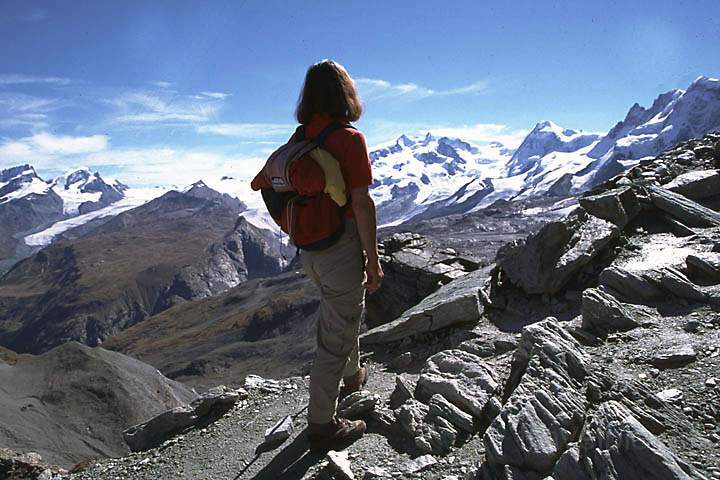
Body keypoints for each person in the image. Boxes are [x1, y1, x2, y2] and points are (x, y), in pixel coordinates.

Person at [295, 60, 384, 450]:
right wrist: (374, 258)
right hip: (340, 248)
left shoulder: (301, 137)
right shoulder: (349, 139)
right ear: (345, 93)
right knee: (335, 334)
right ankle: (322, 424)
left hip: (310, 250)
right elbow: (362, 205)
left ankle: (351, 377)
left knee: (340, 315)